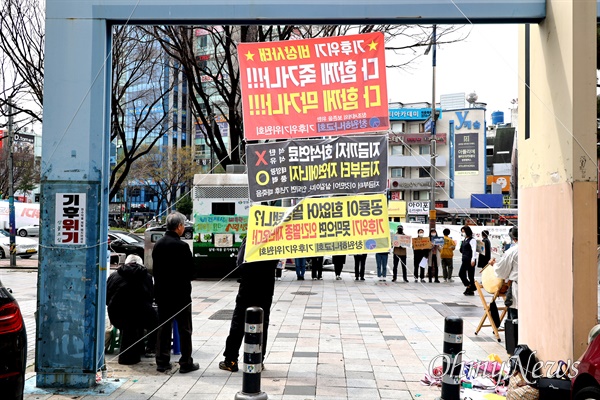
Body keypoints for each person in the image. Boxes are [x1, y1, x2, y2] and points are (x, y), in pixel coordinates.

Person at [219, 237, 278, 372]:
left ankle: (231, 360)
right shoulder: (276, 239)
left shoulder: (252, 237)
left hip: (249, 286)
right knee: (262, 323)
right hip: (266, 288)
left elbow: (240, 263)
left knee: (239, 322)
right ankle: (258, 359)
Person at [152, 211, 199, 373]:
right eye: (183, 225)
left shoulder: (158, 244)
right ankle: (186, 362)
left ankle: (162, 362)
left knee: (164, 328)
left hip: (162, 294)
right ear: (179, 226)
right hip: (181, 295)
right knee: (184, 329)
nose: (183, 227)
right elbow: (192, 272)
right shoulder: (182, 246)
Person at [106, 254, 158, 365]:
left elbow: (106, 298)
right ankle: (150, 348)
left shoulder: (114, 276)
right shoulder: (147, 276)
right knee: (156, 319)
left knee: (130, 322)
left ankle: (137, 349)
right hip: (141, 316)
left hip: (116, 316)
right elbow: (150, 297)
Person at [490, 226, 519, 320]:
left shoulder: (512, 251)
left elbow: (501, 271)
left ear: (513, 238)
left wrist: (494, 264)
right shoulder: (536, 249)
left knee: (515, 318)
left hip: (518, 287)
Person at [458, 225, 479, 296]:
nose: (463, 233)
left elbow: (474, 250)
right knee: (466, 275)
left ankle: (470, 287)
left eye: (464, 231)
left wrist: (473, 259)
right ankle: (470, 287)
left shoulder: (472, 240)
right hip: (465, 259)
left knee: (465, 274)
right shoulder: (465, 240)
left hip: (469, 259)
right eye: (462, 231)